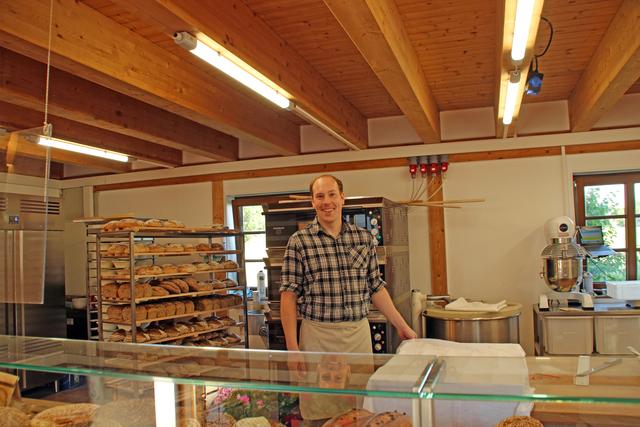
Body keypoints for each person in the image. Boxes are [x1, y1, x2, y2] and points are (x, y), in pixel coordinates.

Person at [280, 174, 416, 423]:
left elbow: (376, 288)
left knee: (360, 410)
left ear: (342, 198)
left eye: (332, 194)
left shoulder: (363, 238)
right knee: (318, 412)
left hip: (357, 337)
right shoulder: (299, 242)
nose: (326, 201)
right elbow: (288, 298)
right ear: (312, 202)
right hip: (317, 338)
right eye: (319, 196)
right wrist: (293, 349)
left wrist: (402, 326)